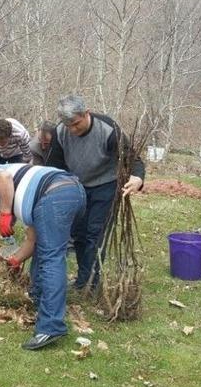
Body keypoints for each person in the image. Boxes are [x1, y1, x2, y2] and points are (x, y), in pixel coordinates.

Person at [46, 95, 145, 290]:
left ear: (86, 113)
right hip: (76, 186)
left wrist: (137, 178)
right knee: (79, 234)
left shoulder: (107, 130)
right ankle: (85, 278)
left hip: (105, 185)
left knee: (95, 234)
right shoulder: (60, 133)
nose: (72, 130)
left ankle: (91, 281)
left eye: (75, 124)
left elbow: (132, 159)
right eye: (68, 126)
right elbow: (54, 166)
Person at [0, 162, 85, 350]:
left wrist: (5, 214)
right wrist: (15, 260)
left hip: (55, 195)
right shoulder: (30, 195)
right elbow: (33, 241)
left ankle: (51, 326)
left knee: (52, 258)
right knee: (46, 248)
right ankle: (40, 299)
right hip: (74, 193)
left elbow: (3, 179)